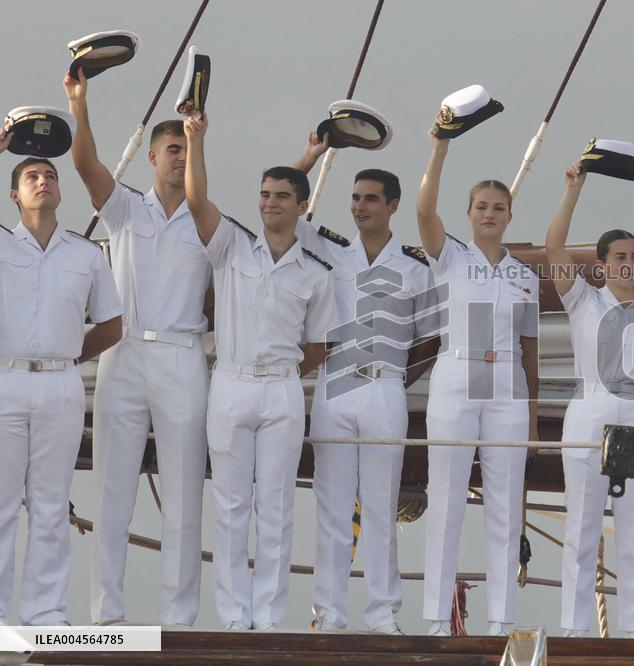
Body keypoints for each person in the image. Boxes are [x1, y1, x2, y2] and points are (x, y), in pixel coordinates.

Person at [64, 68, 212, 627]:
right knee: (112, 489)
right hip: (124, 354)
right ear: (152, 158)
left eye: (186, 149)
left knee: (183, 492)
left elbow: (276, 215)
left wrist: (202, 143)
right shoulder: (126, 208)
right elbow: (83, 164)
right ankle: (106, 619)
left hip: (181, 354)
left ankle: (179, 621)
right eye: (172, 149)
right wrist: (79, 104)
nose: (179, 157)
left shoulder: (206, 219)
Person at [182, 112, 339, 630]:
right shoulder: (229, 246)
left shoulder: (316, 274)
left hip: (281, 391)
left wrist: (286, 371)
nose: (270, 202)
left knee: (275, 508)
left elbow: (318, 344)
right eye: (265, 194)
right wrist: (194, 141)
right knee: (230, 507)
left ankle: (268, 618)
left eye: (281, 196)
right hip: (229, 383)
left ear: (300, 207)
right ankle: (232, 616)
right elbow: (197, 202)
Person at [291, 134, 440, 634]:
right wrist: (310, 156)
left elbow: (430, 338)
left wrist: (397, 376)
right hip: (336, 386)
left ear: (392, 205)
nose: (359, 206)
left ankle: (381, 615)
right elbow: (287, 205)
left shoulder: (416, 268)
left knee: (380, 504)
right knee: (333, 506)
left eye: (370, 198)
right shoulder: (332, 253)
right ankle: (329, 615)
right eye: (355, 197)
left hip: (384, 388)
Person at [546, 161, 634, 637]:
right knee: (581, 526)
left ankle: (632, 629)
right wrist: (572, 191)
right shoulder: (582, 298)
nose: (631, 263)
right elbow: (555, 249)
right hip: (589, 409)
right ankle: (575, 629)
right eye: (620, 256)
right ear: (601, 264)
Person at [415, 119, 540, 638]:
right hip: (457, 372)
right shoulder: (451, 258)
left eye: (498, 207)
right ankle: (435, 619)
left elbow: (529, 348)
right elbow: (424, 211)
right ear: (469, 214)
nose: (490, 214)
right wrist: (440, 148)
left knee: (505, 502)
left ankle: (501, 619)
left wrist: (532, 415)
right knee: (445, 498)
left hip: (506, 381)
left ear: (510, 216)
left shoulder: (525, 275)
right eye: (481, 207)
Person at [0, 132, 124, 625]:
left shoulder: (84, 254)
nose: (43, 181)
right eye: (31, 176)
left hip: (61, 385)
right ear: (15, 194)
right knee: (2, 503)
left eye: (49, 175)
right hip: (6, 381)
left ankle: (45, 614)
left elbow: (112, 324)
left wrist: (72, 358)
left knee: (51, 504)